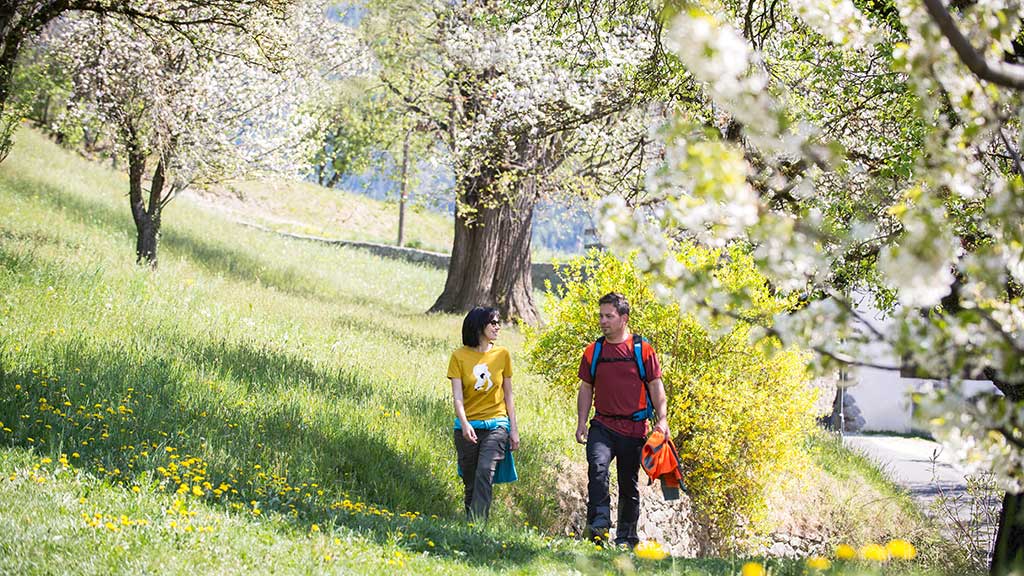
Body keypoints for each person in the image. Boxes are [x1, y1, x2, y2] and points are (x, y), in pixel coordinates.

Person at [576, 292, 669, 548]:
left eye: (609, 316)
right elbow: (586, 387)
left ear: (624, 319)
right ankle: (598, 529)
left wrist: (663, 419)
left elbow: (655, 385)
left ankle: (626, 539)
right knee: (597, 470)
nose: (603, 321)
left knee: (628, 485)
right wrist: (582, 421)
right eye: (601, 316)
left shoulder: (643, 350)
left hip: (634, 429)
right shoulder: (593, 351)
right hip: (602, 425)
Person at [447, 306, 520, 521]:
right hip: (467, 427)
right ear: (479, 326)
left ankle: (478, 524)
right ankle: (471, 528)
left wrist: (513, 429)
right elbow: (458, 397)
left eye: (499, 322)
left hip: (497, 425)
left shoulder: (502, 355)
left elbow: (508, 394)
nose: (498, 326)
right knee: (470, 481)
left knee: (485, 471)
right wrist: (465, 423)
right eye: (494, 322)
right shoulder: (459, 357)